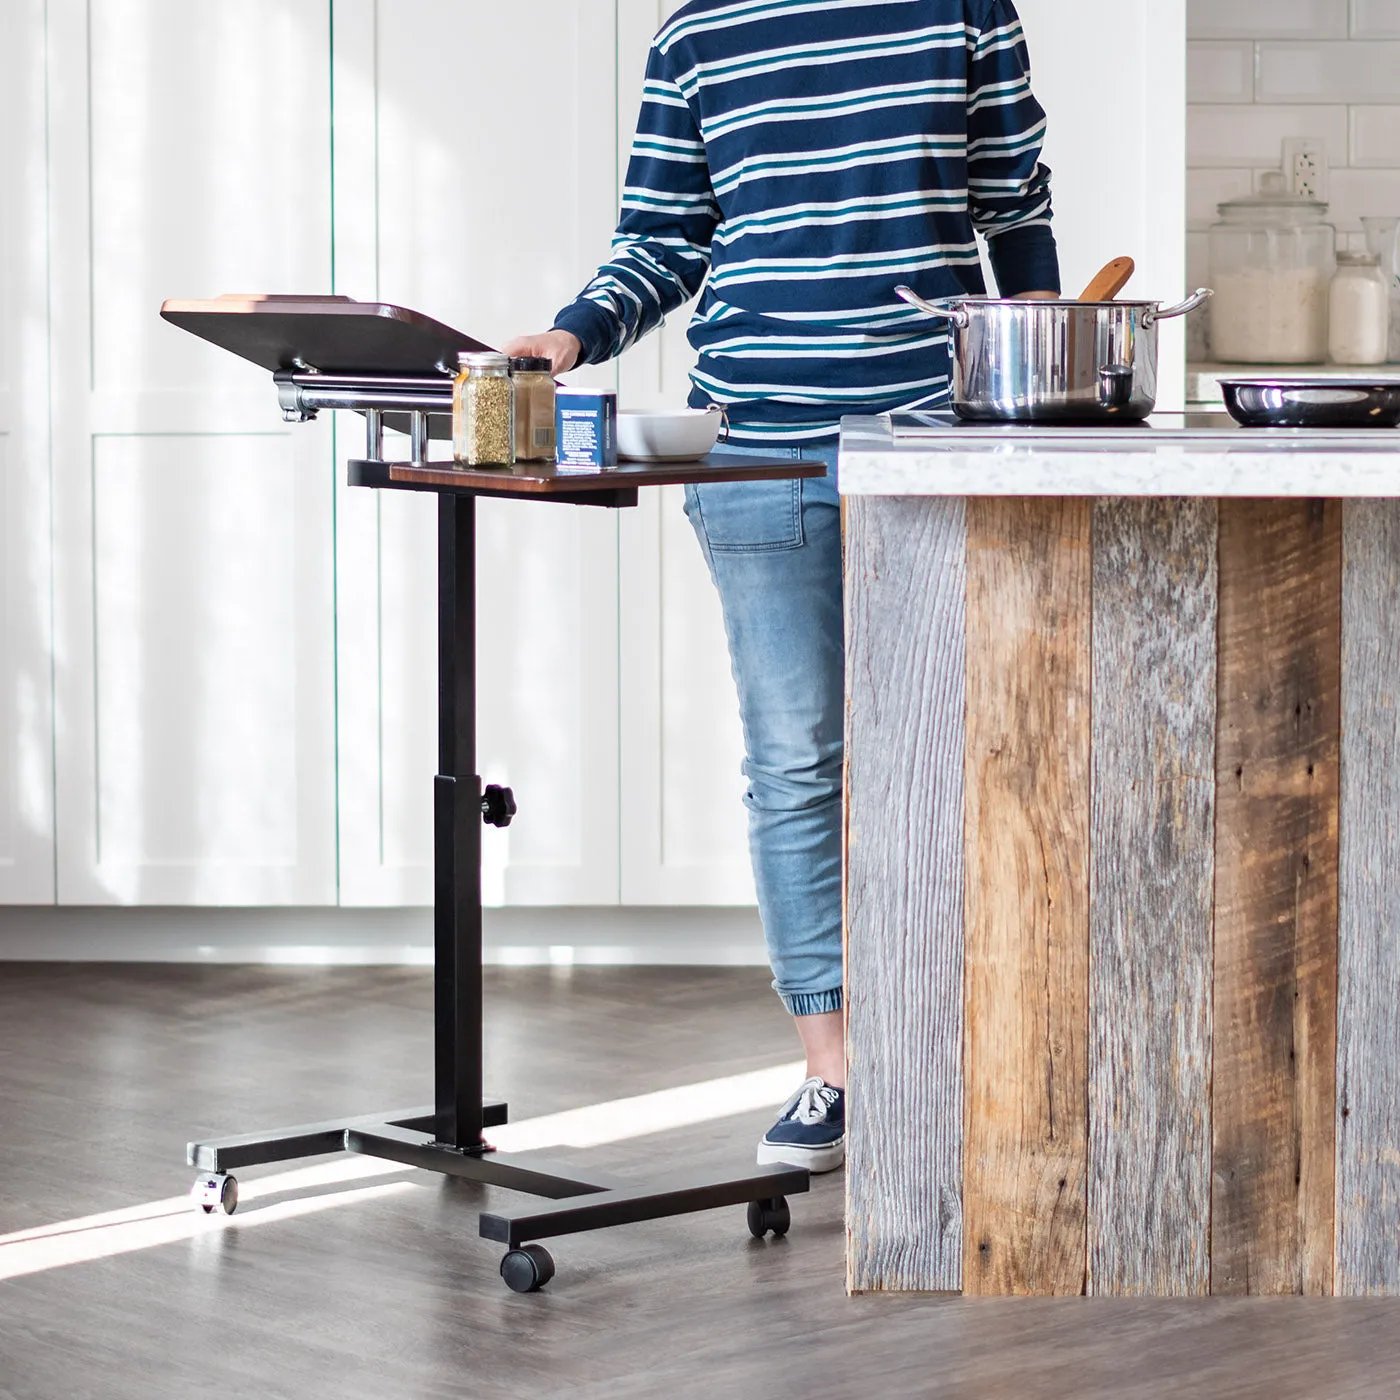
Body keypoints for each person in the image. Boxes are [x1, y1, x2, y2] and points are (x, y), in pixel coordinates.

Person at [506, 0, 1060, 1174]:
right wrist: (571, 334)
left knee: (971, 749)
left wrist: (1038, 395)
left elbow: (1011, 200)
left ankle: (973, 1040)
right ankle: (835, 1068)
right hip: (756, 447)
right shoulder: (699, 31)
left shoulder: (961, 7)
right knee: (797, 754)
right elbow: (662, 237)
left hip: (935, 435)